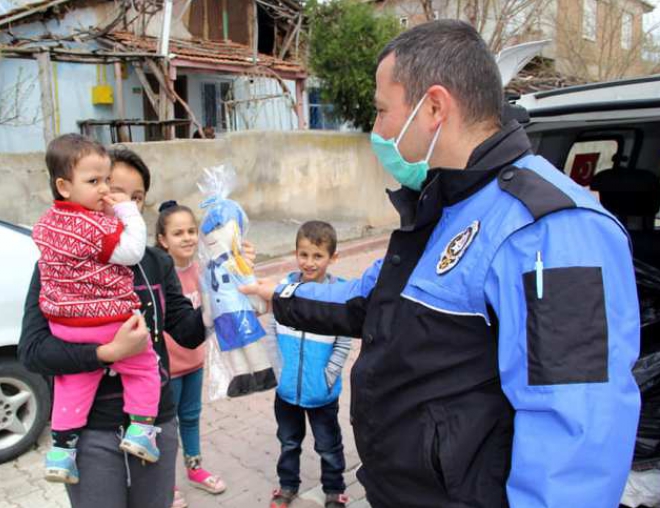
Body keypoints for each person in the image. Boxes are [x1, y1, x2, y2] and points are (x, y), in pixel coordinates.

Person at [242, 20, 641, 508]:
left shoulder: (551, 228)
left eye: (383, 111)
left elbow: (576, 433)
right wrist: (279, 295)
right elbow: (369, 300)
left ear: (433, 107)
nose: (379, 130)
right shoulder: (445, 203)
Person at [19, 146, 205, 508]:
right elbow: (33, 352)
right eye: (109, 190)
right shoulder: (59, 265)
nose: (122, 204)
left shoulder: (156, 263)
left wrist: (225, 290)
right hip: (90, 432)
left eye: (135, 197)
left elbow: (189, 332)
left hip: (154, 423)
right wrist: (108, 354)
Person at [31, 134, 161, 485]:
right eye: (95, 182)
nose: (105, 191)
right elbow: (132, 252)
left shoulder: (46, 225)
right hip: (107, 322)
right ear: (64, 186)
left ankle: (61, 451)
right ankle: (141, 432)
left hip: (64, 326)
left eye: (107, 182)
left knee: (71, 383)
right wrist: (128, 214)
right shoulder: (97, 225)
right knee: (145, 367)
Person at [268, 221, 350, 508]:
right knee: (289, 442)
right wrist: (279, 373)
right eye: (304, 254)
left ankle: (334, 488)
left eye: (318, 256)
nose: (309, 262)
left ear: (332, 257)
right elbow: (271, 331)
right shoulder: (284, 289)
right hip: (287, 390)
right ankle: (287, 485)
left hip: (322, 392)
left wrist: (328, 377)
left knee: (328, 445)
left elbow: (343, 341)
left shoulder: (337, 296)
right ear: (295, 253)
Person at [155, 200, 227, 508]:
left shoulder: (202, 270)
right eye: (177, 233)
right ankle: (164, 484)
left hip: (194, 362)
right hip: (165, 369)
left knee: (191, 417)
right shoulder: (158, 277)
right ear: (162, 240)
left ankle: (195, 469)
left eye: (191, 231)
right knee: (165, 427)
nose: (186, 238)